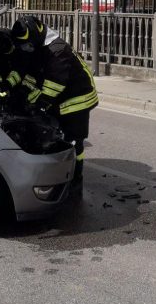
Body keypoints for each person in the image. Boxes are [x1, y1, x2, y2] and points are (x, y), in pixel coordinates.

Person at [10, 15, 98, 191]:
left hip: (77, 98)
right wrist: (19, 94)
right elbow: (32, 75)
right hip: (61, 97)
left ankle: (75, 178)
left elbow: (55, 84)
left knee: (73, 140)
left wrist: (41, 104)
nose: (26, 48)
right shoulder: (39, 48)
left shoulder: (57, 50)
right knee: (54, 134)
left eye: (28, 45)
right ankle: (57, 170)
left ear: (35, 36)